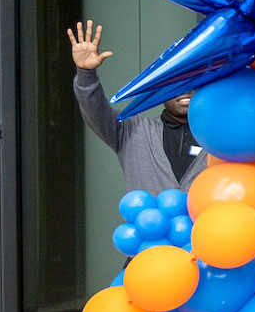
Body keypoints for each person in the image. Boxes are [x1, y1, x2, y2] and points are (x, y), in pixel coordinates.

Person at [69, 20, 206, 193]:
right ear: (159, 91)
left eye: (193, 83)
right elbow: (95, 111)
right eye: (175, 84)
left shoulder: (220, 137)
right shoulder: (133, 131)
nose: (185, 90)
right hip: (143, 220)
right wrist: (86, 74)